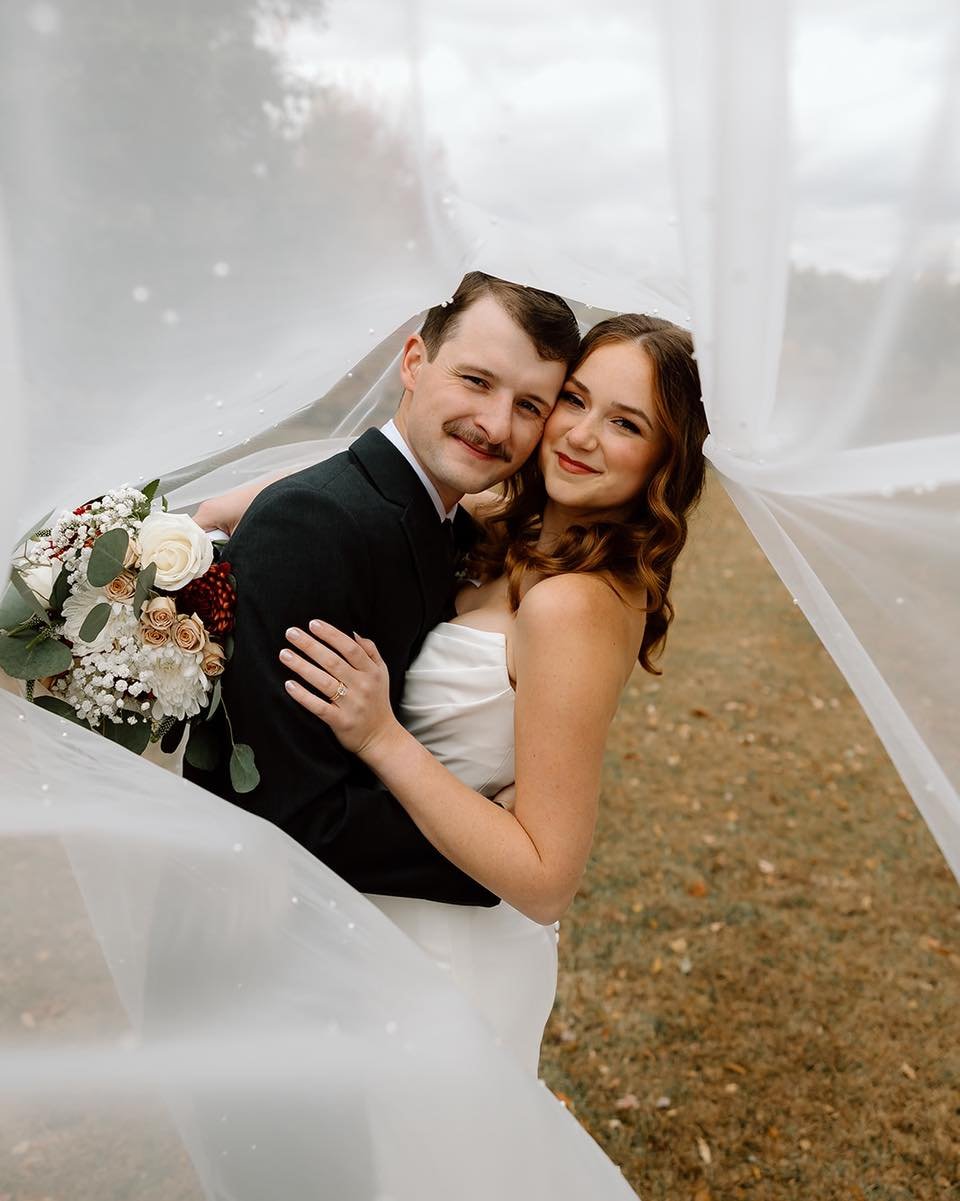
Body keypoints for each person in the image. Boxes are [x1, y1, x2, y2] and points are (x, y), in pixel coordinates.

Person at [200, 311, 708, 1075]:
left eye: (626, 424)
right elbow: (380, 480)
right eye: (573, 399)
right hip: (377, 911)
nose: (580, 435)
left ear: (661, 464)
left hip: (450, 955)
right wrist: (206, 518)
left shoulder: (574, 603)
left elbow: (546, 878)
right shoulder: (505, 533)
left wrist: (382, 739)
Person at [185, 272, 580, 913]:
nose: (495, 424)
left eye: (530, 406)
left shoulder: (447, 522)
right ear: (415, 361)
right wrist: (502, 856)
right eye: (476, 381)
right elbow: (287, 809)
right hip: (264, 932)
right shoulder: (312, 526)